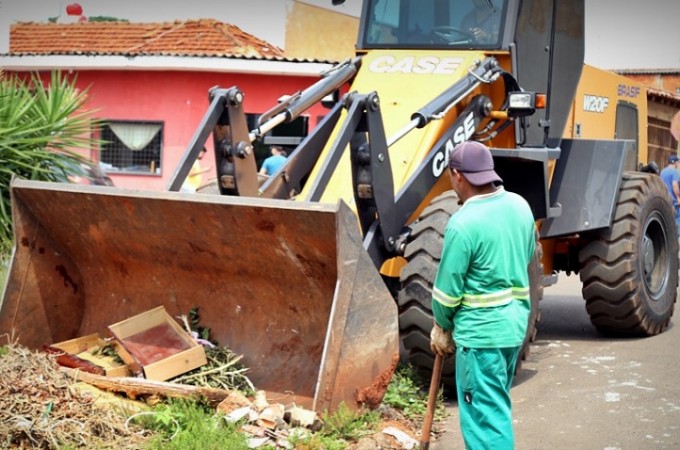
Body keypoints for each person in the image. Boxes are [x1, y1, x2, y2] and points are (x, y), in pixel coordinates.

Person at [429, 140, 536, 449]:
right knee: (495, 407)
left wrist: (442, 326)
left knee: (483, 420)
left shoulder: (463, 224)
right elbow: (527, 255)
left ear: (457, 175)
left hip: (481, 338)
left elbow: (447, 295)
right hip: (513, 329)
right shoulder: (519, 206)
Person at [660, 154, 680, 236]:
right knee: (677, 224)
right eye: (678, 162)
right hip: (674, 202)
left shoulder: (662, 172)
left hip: (665, 201)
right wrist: (678, 197)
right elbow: (675, 184)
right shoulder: (675, 172)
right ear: (674, 163)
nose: (678, 164)